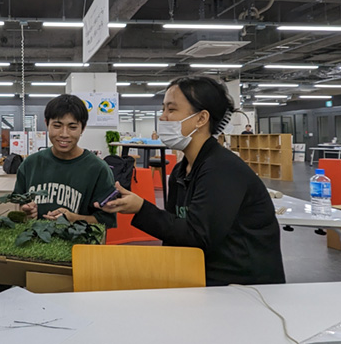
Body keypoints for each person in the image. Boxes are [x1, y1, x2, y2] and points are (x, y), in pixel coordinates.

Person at [97, 76, 284, 286]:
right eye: (163, 109)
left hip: (242, 288)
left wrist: (141, 208)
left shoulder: (222, 170)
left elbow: (198, 236)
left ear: (201, 118)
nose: (163, 117)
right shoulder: (181, 170)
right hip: (200, 278)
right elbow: (176, 231)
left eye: (172, 110)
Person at [14, 94, 116, 227]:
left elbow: (107, 220)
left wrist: (74, 218)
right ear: (47, 124)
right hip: (34, 243)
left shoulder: (98, 169)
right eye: (57, 126)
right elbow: (18, 205)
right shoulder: (30, 164)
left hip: (78, 245)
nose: (64, 134)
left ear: (83, 128)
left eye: (72, 127)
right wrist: (25, 211)